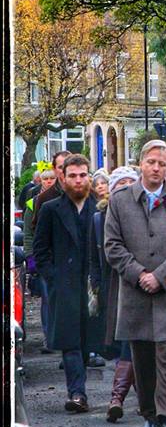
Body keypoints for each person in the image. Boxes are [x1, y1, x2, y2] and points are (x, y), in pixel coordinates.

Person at [104, 139, 166, 427]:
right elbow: (112, 246)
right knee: (142, 357)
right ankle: (149, 417)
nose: (156, 168)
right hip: (135, 293)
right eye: (150, 162)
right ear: (140, 164)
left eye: (162, 163)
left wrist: (161, 276)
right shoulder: (120, 201)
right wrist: (139, 274)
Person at [33, 154, 97, 413]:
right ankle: (77, 393)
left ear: (89, 176)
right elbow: (41, 248)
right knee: (70, 342)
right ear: (63, 177)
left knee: (87, 341)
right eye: (73, 175)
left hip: (93, 285)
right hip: (65, 284)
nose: (78, 180)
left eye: (83, 175)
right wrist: (54, 278)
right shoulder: (50, 209)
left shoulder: (101, 207)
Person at [89, 166, 140, 422]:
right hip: (114, 286)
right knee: (125, 343)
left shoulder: (145, 215)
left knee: (134, 342)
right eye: (121, 184)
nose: (126, 188)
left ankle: (119, 398)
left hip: (140, 284)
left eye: (131, 183)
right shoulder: (100, 218)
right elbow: (95, 257)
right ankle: (139, 398)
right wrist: (96, 286)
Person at [23, 168, 60, 352]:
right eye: (46, 179)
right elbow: (29, 233)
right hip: (44, 256)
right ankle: (49, 337)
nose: (49, 182)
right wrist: (31, 256)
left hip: (59, 257)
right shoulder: (34, 202)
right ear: (40, 181)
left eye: (52, 178)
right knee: (47, 299)